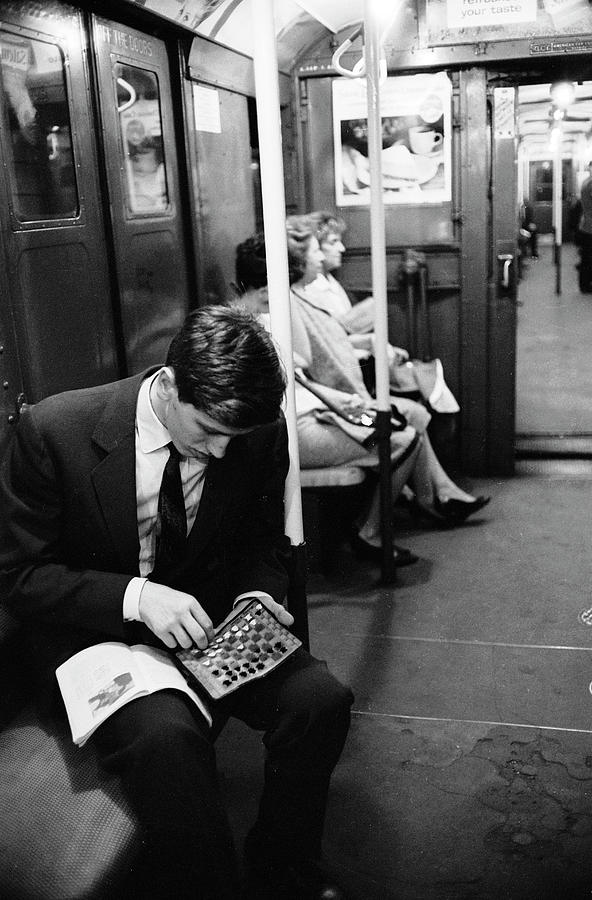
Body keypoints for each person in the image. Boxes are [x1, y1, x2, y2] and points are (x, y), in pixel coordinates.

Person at [0, 305, 353, 900]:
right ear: (167, 386)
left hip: (209, 618)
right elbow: (17, 575)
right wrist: (137, 598)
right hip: (98, 631)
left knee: (319, 701)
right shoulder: (53, 431)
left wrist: (257, 597)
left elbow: (261, 541)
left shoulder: (254, 432)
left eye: (232, 438)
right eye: (207, 431)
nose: (219, 452)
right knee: (167, 737)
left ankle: (282, 862)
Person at [234, 229, 489, 567]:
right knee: (399, 441)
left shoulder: (259, 315)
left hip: (303, 414)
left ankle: (424, 502)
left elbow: (293, 378)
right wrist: (335, 400)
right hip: (284, 431)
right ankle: (371, 531)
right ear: (267, 289)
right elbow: (293, 374)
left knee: (399, 428)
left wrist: (339, 401)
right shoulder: (250, 325)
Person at [303, 210, 460, 415]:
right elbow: (328, 344)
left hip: (356, 358)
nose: (341, 248)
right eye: (333, 242)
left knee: (418, 377)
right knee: (418, 391)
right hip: (345, 372)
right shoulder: (310, 291)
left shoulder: (331, 283)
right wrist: (371, 345)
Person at [578, 162, 592, 293]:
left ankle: (584, 284)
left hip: (586, 225)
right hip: (590, 226)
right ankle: (585, 285)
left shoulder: (586, 182)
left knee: (586, 258)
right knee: (588, 259)